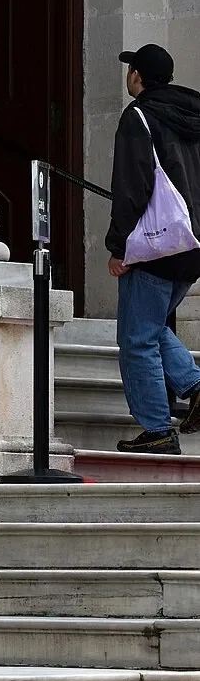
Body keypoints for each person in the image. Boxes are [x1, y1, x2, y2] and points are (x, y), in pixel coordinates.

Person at [107, 43, 200, 452]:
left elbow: (133, 186)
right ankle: (195, 386)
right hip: (192, 246)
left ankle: (159, 430)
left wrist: (119, 247)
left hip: (155, 245)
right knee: (148, 326)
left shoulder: (139, 116)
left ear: (138, 77)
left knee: (136, 339)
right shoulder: (194, 117)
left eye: (131, 70)